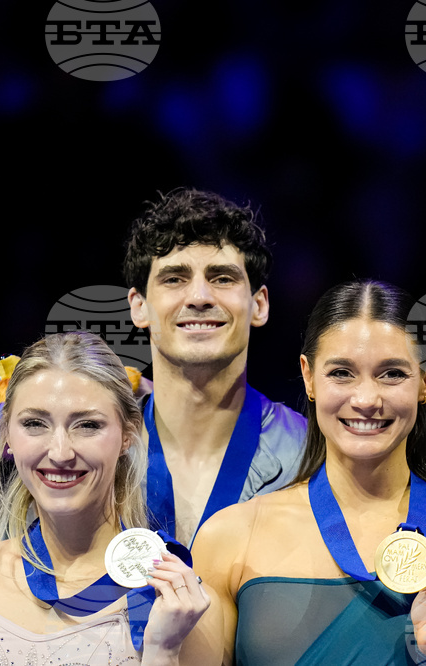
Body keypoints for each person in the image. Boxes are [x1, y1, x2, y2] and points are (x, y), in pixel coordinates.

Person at [184, 280, 426, 665]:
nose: (366, 399)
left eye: (391, 374)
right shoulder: (228, 538)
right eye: (341, 372)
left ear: (425, 381)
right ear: (308, 377)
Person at [0, 331, 208, 665]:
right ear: (7, 434)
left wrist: (163, 651)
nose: (60, 452)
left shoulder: (178, 600)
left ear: (127, 434)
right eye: (35, 423)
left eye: (88, 425)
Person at [124, 188, 307, 545]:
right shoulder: (97, 450)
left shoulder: (312, 456)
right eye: (174, 278)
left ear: (259, 304)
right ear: (139, 307)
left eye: (222, 278)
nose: (199, 298)